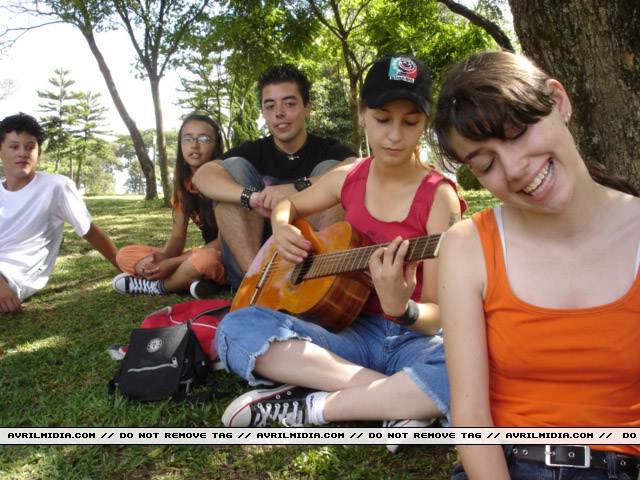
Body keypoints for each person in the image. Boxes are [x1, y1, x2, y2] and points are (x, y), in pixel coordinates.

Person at [214, 54, 466, 448]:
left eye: (410, 122)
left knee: (466, 365)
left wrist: (404, 308)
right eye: (382, 119)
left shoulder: (440, 198)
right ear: (362, 113)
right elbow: (287, 204)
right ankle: (397, 400)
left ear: (425, 124)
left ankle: (316, 407)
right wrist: (281, 228)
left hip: (412, 341)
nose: (395, 135)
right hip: (348, 333)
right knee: (235, 329)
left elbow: (436, 320)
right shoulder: (349, 176)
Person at [434, 51, 640, 479]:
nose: (513, 170)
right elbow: (470, 415)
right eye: (485, 164)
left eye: (517, 133)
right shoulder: (467, 246)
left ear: (558, 102)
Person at [192, 64, 357, 289]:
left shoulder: (327, 148)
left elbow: (355, 168)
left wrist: (298, 187)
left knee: (333, 168)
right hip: (249, 264)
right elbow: (202, 175)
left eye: (289, 104)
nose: (279, 113)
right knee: (233, 168)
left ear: (307, 108)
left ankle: (314, 277)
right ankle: (259, 284)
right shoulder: (254, 150)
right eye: (270, 106)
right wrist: (251, 197)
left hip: (306, 261)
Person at [0, 112, 119, 314]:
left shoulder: (55, 187)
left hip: (13, 276)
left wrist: (126, 268)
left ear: (38, 152)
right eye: (14, 146)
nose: (23, 153)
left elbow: (90, 232)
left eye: (30, 147)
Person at [112, 113, 227, 299]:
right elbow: (177, 237)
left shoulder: (225, 180)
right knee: (124, 255)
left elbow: (224, 242)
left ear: (216, 147)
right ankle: (193, 280)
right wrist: (162, 259)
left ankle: (161, 286)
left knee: (203, 260)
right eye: (187, 139)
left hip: (225, 255)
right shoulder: (183, 185)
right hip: (198, 255)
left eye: (204, 139)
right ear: (181, 145)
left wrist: (172, 264)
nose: (194, 145)